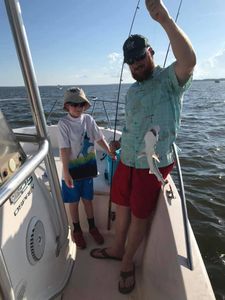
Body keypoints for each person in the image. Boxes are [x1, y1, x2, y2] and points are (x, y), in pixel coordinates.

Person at [90, 0, 196, 294]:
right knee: (122, 206)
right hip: (126, 159)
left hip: (154, 164)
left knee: (139, 215)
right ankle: (115, 249)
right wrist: (120, 142)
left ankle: (126, 263)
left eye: (141, 57)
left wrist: (163, 19)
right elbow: (133, 126)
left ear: (151, 53)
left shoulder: (169, 80)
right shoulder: (133, 91)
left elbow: (188, 60)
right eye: (132, 61)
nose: (137, 64)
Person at [58, 87, 115, 249]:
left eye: (81, 103)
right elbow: (64, 149)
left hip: (88, 170)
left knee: (88, 200)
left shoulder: (89, 120)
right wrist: (67, 172)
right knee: (74, 202)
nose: (78, 107)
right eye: (74, 104)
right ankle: (77, 230)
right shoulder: (63, 124)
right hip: (72, 173)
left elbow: (99, 138)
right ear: (67, 106)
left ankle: (92, 227)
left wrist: (109, 152)